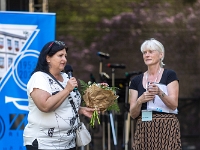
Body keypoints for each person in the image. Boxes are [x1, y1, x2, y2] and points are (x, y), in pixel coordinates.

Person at [23, 41, 95, 150]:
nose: (64, 60)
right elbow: (45, 106)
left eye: (65, 56)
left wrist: (81, 110)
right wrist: (67, 90)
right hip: (44, 144)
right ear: (48, 58)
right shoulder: (39, 78)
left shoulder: (66, 77)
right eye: (60, 55)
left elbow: (63, 103)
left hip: (69, 143)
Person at [129, 38, 181, 150]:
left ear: (161, 55)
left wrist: (159, 92)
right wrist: (140, 101)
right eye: (144, 52)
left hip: (167, 127)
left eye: (151, 52)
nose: (147, 55)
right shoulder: (135, 81)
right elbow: (133, 114)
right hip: (144, 127)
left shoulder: (170, 75)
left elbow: (173, 105)